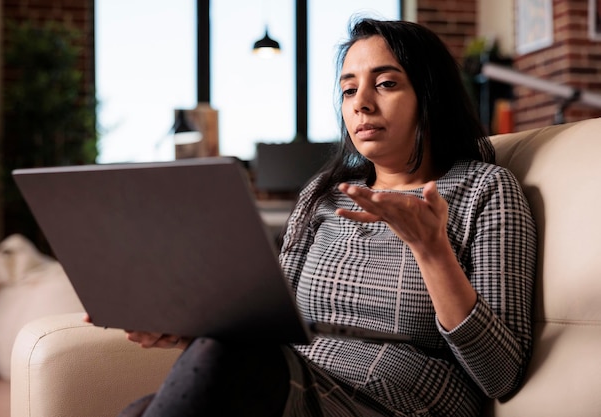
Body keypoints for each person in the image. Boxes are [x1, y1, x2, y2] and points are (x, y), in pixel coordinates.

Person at [111, 18, 537, 417]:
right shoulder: (325, 194)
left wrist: (432, 251)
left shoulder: (485, 188)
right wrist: (185, 332)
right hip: (298, 381)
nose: (362, 104)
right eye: (349, 90)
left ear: (430, 95)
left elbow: (501, 374)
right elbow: (269, 322)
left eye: (386, 84)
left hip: (400, 400)